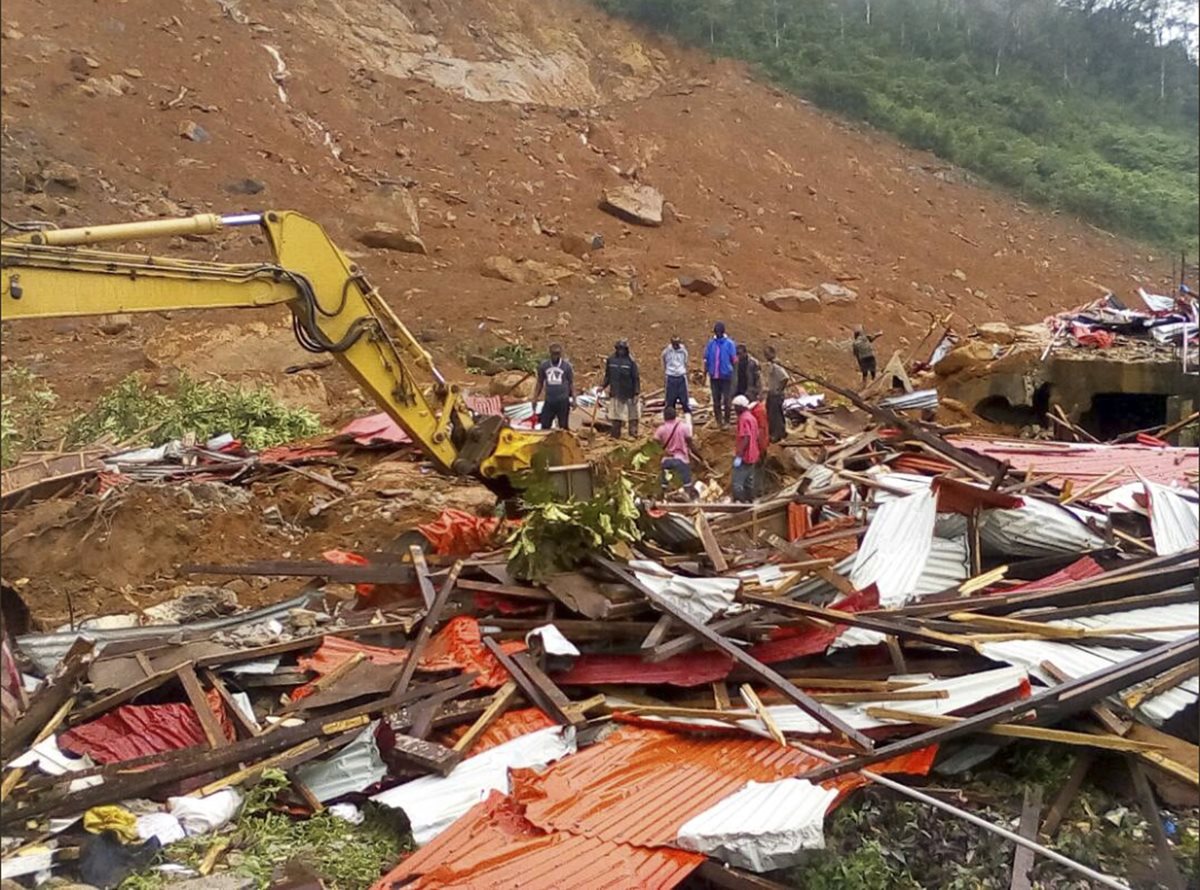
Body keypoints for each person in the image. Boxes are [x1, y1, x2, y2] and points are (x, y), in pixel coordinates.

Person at [602, 339, 641, 438]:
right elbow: (608, 376)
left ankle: (633, 434)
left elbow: (636, 378)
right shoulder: (611, 360)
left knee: (633, 416)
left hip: (630, 393)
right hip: (616, 392)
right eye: (619, 349)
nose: (621, 351)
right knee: (616, 417)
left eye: (623, 349)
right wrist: (602, 386)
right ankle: (615, 435)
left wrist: (636, 393)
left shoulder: (631, 361)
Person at [653, 406, 695, 495]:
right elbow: (691, 445)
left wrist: (662, 449)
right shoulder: (684, 427)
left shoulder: (661, 429)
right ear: (675, 415)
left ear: (664, 417)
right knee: (686, 486)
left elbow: (655, 440)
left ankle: (663, 501)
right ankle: (688, 503)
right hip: (682, 460)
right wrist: (700, 457)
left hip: (666, 460)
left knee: (664, 486)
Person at [532, 342, 574, 431]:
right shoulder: (544, 366)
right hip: (550, 400)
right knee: (545, 424)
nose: (556, 356)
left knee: (563, 425)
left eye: (558, 354)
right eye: (554, 354)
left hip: (563, 400)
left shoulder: (566, 366)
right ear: (550, 353)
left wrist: (574, 398)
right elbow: (540, 382)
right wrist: (535, 397)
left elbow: (571, 383)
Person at [704, 322, 737, 429]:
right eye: (716, 332)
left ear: (723, 332)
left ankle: (727, 421)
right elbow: (706, 358)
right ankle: (719, 421)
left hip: (726, 376)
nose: (717, 334)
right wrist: (706, 371)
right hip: (714, 376)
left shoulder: (729, 344)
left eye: (719, 332)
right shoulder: (711, 344)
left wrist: (730, 371)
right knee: (716, 400)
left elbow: (734, 360)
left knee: (727, 400)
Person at [731, 394, 761, 503]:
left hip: (745, 456)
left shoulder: (743, 419)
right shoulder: (752, 418)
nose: (734, 409)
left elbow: (746, 437)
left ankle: (740, 504)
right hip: (753, 454)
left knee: (737, 483)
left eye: (735, 407)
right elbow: (756, 436)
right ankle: (750, 501)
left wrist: (739, 455)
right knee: (749, 481)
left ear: (740, 407)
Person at [762, 345, 791, 442]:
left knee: (774, 414)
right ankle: (781, 431)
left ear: (772, 353)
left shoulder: (776, 366)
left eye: (767, 354)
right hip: (773, 393)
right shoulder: (772, 364)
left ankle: (776, 434)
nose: (765, 356)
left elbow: (785, 377)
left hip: (776, 394)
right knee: (776, 413)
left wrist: (779, 389)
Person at [661, 335, 689, 416]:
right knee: (670, 402)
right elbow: (663, 360)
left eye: (677, 344)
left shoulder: (683, 351)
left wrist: (682, 370)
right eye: (674, 344)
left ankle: (688, 421)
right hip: (671, 377)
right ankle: (671, 422)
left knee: (685, 402)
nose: (676, 346)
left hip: (681, 377)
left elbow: (685, 361)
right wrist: (667, 371)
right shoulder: (667, 351)